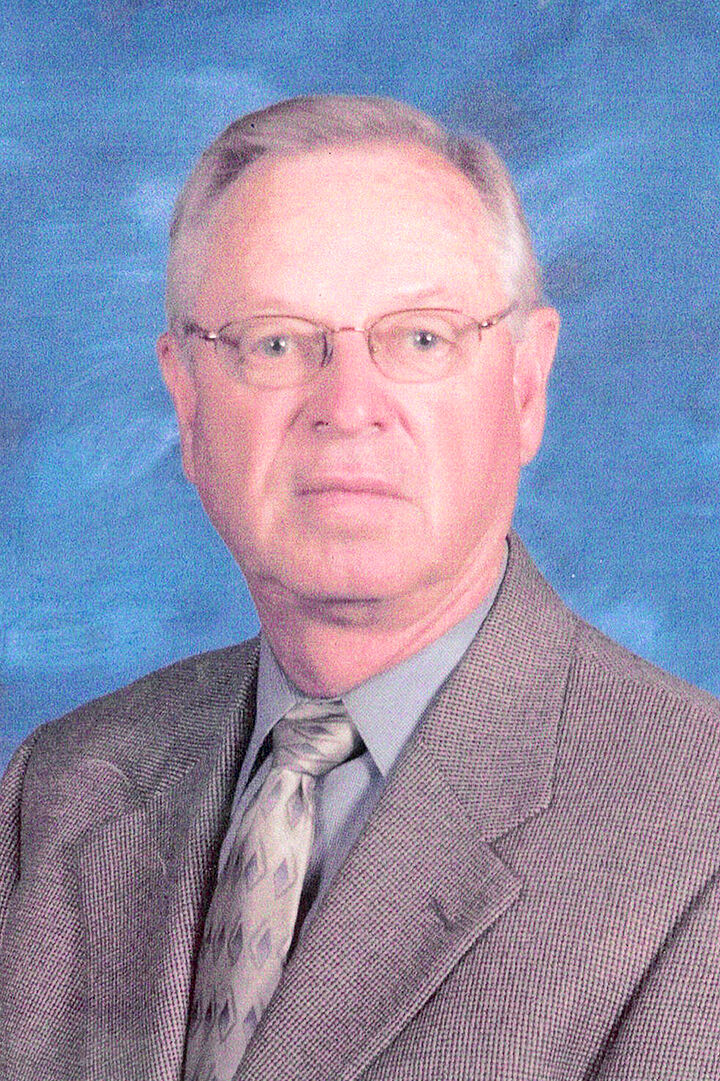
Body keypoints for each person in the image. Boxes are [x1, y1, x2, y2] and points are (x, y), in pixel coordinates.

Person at [1, 94, 718, 1081]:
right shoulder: (59, 789)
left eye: (420, 338)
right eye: (275, 342)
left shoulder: (697, 832)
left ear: (524, 386)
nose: (347, 406)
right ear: (188, 402)